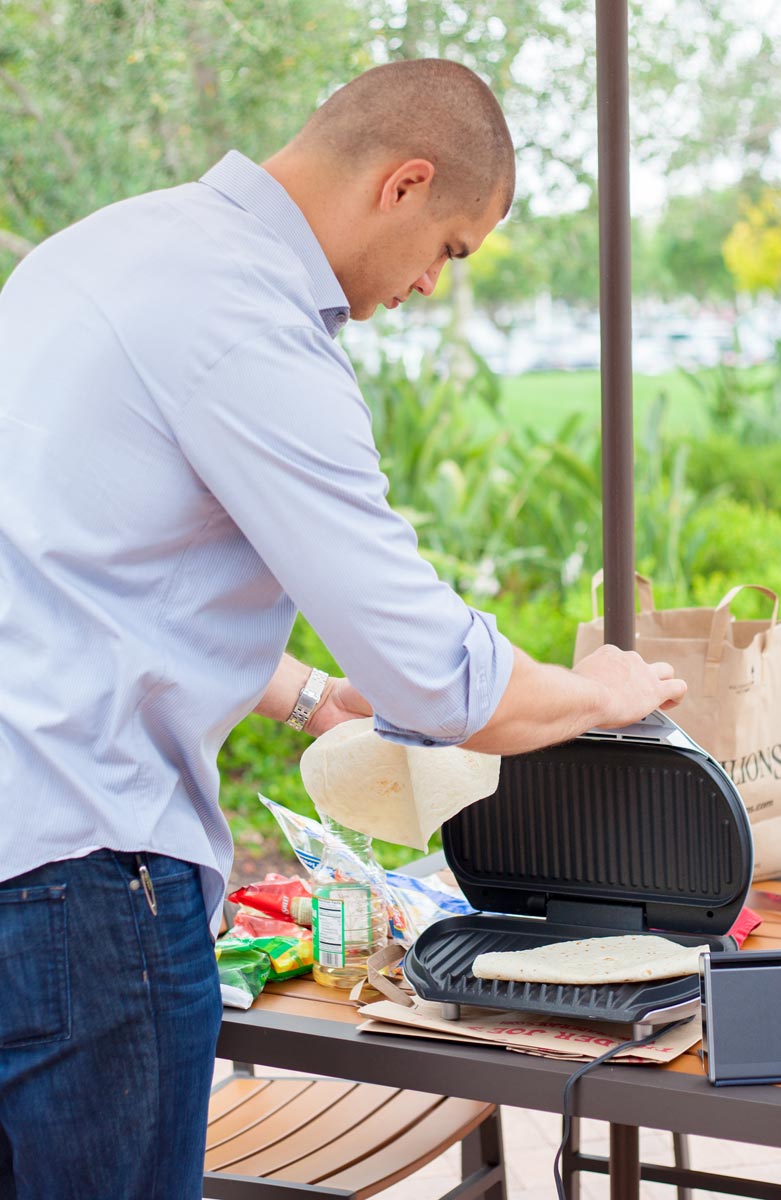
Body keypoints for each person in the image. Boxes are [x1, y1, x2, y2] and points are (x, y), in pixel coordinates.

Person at [0, 58, 686, 1199]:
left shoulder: (91, 256)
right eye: (450, 250)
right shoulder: (251, 326)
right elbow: (437, 680)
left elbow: (69, 577)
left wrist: (310, 697)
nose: (430, 285)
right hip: (85, 894)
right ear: (404, 184)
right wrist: (601, 692)